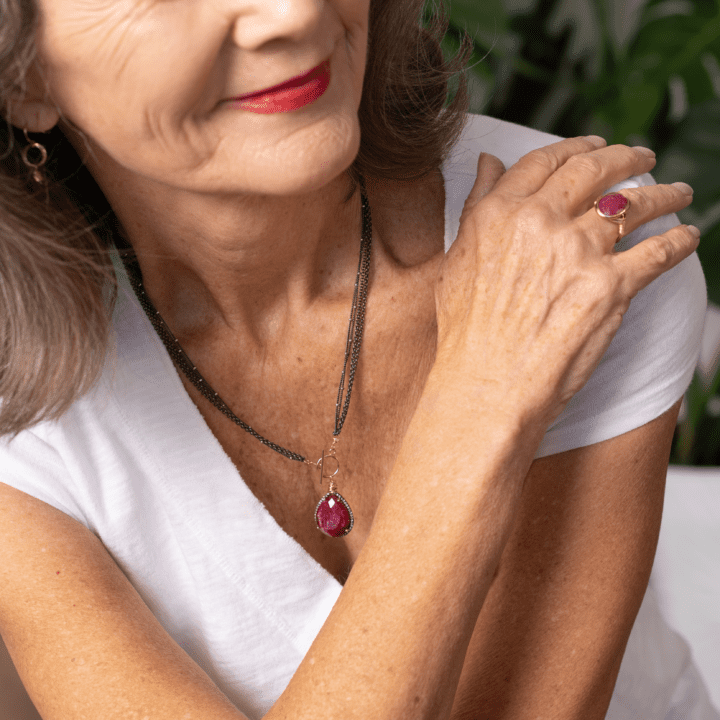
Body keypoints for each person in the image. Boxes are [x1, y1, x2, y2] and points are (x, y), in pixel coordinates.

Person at [0, 0, 714, 719]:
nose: (292, 13)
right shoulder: (16, 397)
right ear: (22, 81)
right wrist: (484, 396)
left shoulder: (574, 254)